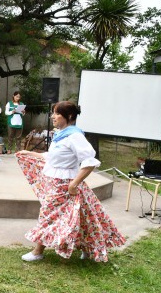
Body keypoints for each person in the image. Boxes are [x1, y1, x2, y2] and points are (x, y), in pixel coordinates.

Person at [16, 101, 125, 262]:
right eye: (53, 113)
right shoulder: (62, 134)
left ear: (70, 116)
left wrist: (74, 183)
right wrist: (30, 154)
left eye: (57, 114)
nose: (53, 116)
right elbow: (53, 158)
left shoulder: (75, 136)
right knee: (79, 216)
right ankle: (87, 248)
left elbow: (90, 161)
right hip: (56, 183)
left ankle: (38, 251)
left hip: (64, 185)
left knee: (48, 215)